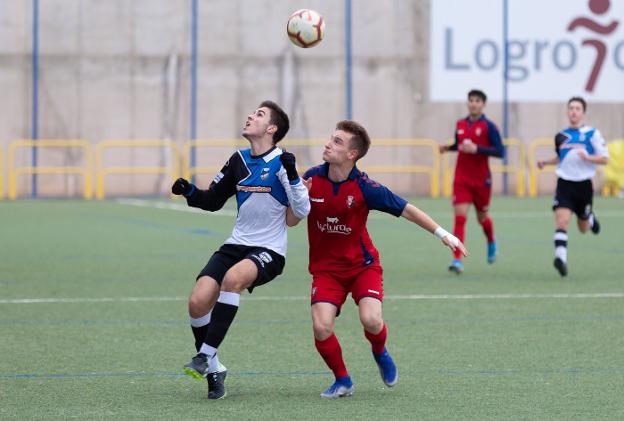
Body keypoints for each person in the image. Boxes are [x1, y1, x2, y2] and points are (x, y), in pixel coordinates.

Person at [297, 120, 467, 398]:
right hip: (326, 271)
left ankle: (380, 351)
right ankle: (343, 381)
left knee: (372, 320)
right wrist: (297, 196)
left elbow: (407, 210)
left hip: (362, 267)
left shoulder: (366, 187)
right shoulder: (312, 178)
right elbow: (292, 221)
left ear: (353, 154)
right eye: (331, 138)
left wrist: (442, 233)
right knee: (321, 325)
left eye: (337, 141)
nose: (328, 144)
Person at [171, 100, 310, 399]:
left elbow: (302, 210)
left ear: (272, 128)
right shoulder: (238, 160)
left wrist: (295, 177)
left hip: (269, 250)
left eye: (259, 114)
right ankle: (215, 367)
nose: (250, 116)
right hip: (235, 244)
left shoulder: (283, 162)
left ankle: (204, 355)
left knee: (232, 279)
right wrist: (189, 191)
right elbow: (212, 201)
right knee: (197, 302)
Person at [537, 96, 608, 277]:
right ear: (568, 112)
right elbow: (561, 157)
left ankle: (589, 218)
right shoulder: (561, 136)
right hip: (565, 184)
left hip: (584, 185)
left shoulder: (593, 134)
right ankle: (561, 259)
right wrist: (545, 162)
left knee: (582, 228)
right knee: (562, 221)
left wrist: (588, 157)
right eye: (571, 108)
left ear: (583, 113)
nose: (574, 112)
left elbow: (604, 159)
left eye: (577, 108)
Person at [439, 89, 504, 274]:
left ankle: (491, 240)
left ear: (483, 104)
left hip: (482, 181)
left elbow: (500, 151)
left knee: (482, 218)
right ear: (467, 103)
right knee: (460, 218)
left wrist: (478, 148)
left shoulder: (489, 127)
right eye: (471, 100)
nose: (473, 103)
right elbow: (460, 145)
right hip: (462, 179)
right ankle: (457, 259)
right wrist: (448, 148)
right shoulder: (460, 124)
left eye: (477, 100)